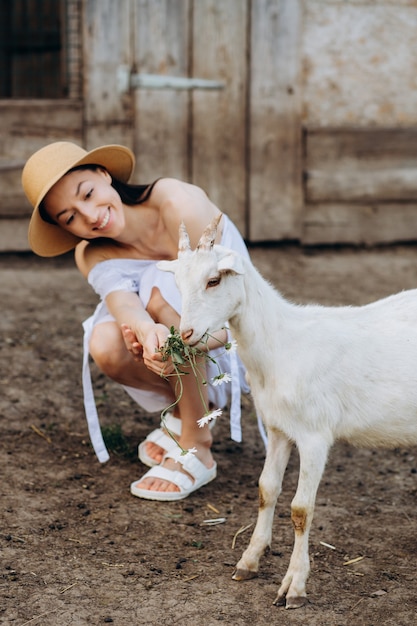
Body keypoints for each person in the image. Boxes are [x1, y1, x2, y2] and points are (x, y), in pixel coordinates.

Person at [22, 141, 253, 502]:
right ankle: (191, 408)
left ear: (103, 174)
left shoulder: (177, 203)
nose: (90, 215)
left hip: (229, 331)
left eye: (88, 193)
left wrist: (165, 318)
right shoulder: (91, 253)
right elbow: (124, 306)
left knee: (159, 291)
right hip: (181, 333)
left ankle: (197, 444)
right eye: (70, 218)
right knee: (106, 344)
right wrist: (148, 333)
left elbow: (236, 307)